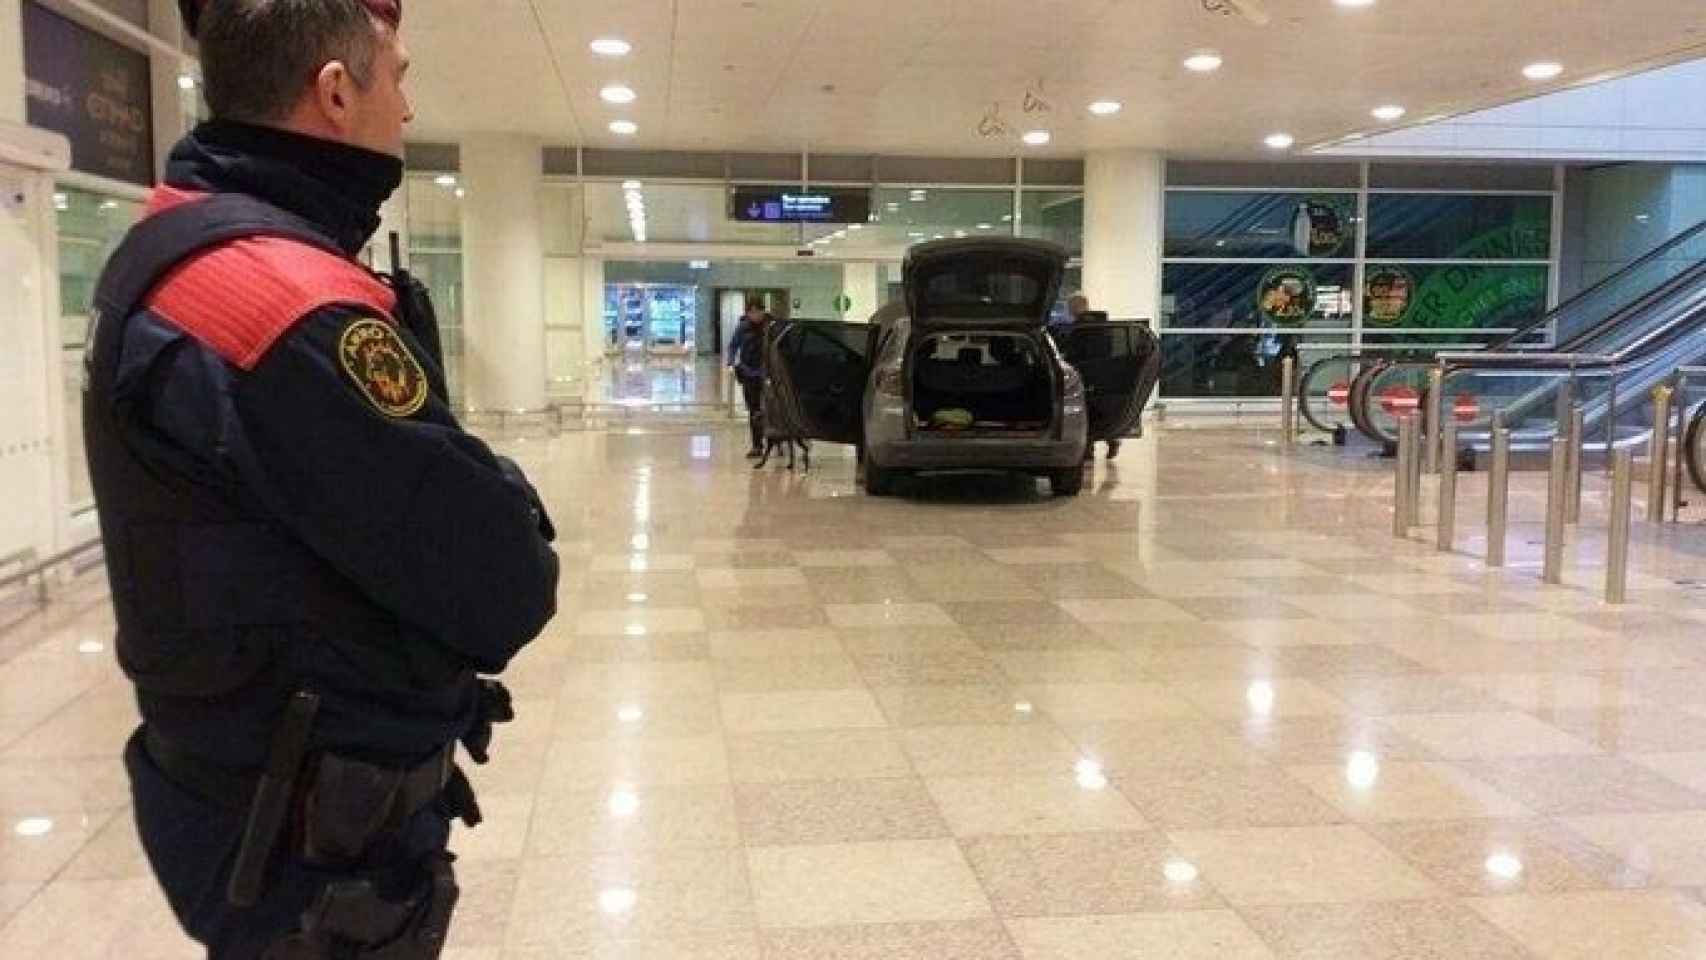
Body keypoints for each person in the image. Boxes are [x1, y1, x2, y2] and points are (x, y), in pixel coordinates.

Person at [82, 2, 559, 957]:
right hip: (307, 845)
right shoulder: (284, 308)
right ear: (337, 93)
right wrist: (497, 483)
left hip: (235, 786)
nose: (410, 107)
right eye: (401, 76)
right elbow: (504, 582)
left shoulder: (169, 245)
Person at [727, 298, 773, 457]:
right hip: (749, 373)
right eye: (751, 312)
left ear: (763, 311)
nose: (754, 315)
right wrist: (731, 363)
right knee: (754, 410)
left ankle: (775, 441)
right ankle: (757, 445)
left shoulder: (770, 326)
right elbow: (733, 345)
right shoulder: (743, 327)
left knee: (771, 409)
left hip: (768, 375)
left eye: (757, 311)